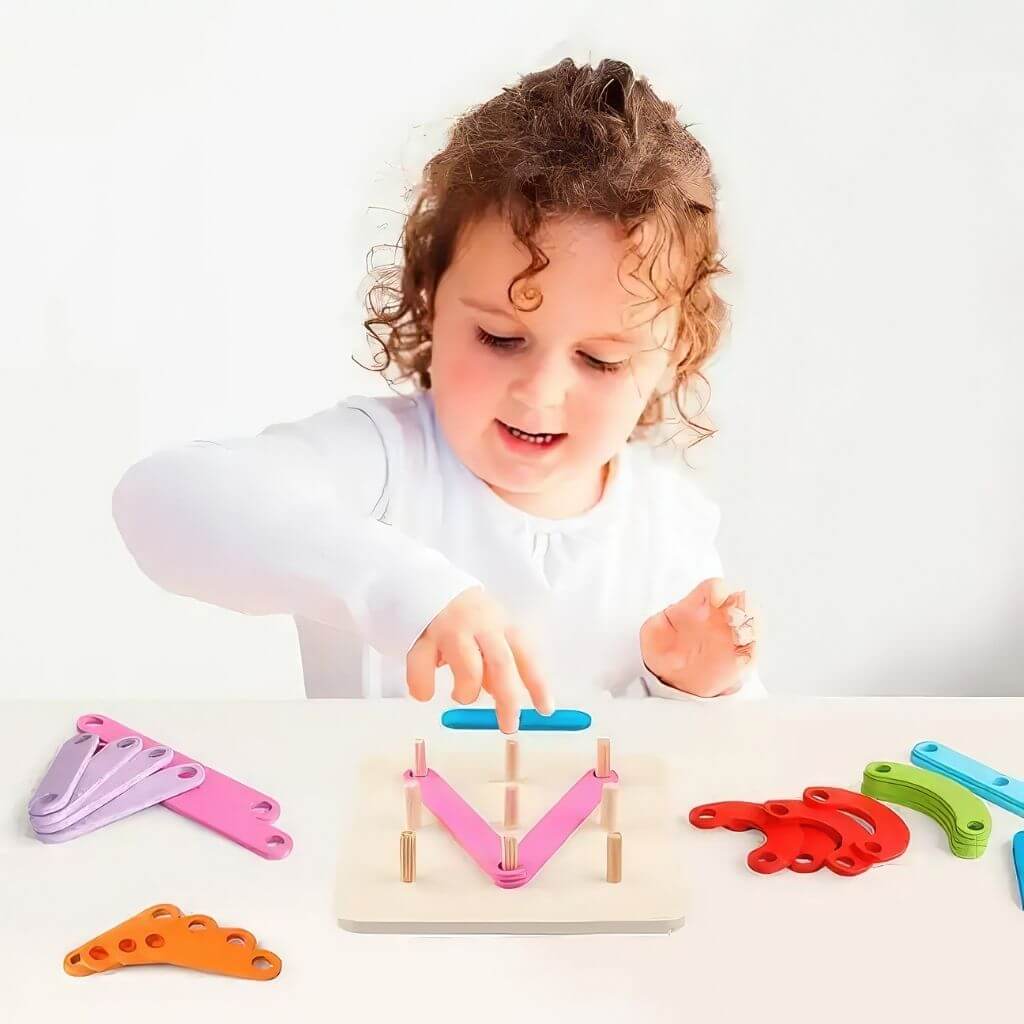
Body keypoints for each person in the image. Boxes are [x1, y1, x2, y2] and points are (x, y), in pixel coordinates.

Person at [112, 57, 764, 734]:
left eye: (600, 360)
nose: (540, 393)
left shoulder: (670, 527)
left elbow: (712, 767)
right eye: (500, 338)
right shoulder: (386, 463)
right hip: (382, 834)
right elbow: (159, 499)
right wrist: (409, 590)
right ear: (429, 296)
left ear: (674, 355)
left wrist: (687, 688)